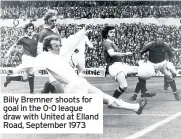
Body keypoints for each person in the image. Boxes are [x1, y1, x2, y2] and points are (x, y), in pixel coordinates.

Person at [9, 33, 148, 115]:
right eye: (56, 45)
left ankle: (136, 108)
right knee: (87, 109)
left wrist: (83, 32)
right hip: (73, 88)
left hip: (79, 83)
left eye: (59, 44)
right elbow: (25, 64)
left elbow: (72, 43)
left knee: (105, 98)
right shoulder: (44, 57)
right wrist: (13, 71)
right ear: (48, 47)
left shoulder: (60, 54)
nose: (59, 47)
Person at [102, 25, 154, 99]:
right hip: (114, 67)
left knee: (140, 70)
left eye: (114, 32)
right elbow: (111, 54)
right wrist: (125, 54)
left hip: (121, 65)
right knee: (124, 86)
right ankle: (112, 100)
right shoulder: (107, 43)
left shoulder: (112, 43)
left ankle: (144, 91)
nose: (113, 34)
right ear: (107, 34)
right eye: (111, 32)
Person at [130, 28, 180, 101]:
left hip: (162, 63)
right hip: (151, 63)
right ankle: (135, 95)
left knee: (169, 75)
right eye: (158, 36)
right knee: (142, 76)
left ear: (163, 38)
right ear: (155, 38)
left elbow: (171, 55)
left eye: (161, 37)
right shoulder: (150, 45)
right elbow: (140, 52)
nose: (159, 38)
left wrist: (170, 62)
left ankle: (175, 93)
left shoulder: (165, 45)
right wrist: (139, 60)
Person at [4, 22, 39, 94]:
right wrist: (8, 53)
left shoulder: (36, 36)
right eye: (29, 29)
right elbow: (13, 46)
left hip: (33, 58)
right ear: (26, 29)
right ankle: (13, 71)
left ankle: (10, 78)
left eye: (32, 29)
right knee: (31, 72)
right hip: (26, 57)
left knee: (25, 78)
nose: (30, 30)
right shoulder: (23, 39)